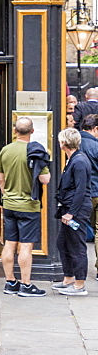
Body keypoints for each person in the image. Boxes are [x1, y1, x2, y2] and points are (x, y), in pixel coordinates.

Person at [0, 116, 50, 297]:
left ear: (14, 131)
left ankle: (10, 282)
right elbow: (45, 179)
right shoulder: (35, 151)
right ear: (32, 131)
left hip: (9, 204)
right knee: (26, 246)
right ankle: (26, 285)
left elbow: (0, 179)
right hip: (29, 205)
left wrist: (7, 196)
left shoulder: (5, 150)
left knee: (10, 243)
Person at [53, 128, 91, 296]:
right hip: (69, 208)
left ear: (64, 143)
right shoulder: (72, 160)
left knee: (77, 245)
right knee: (63, 243)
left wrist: (71, 213)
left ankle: (79, 284)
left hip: (77, 210)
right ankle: (68, 278)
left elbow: (81, 191)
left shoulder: (79, 162)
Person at [80, 114, 98, 269]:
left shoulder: (74, 142)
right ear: (95, 129)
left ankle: (76, 270)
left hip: (79, 193)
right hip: (96, 191)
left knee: (77, 229)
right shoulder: (96, 146)